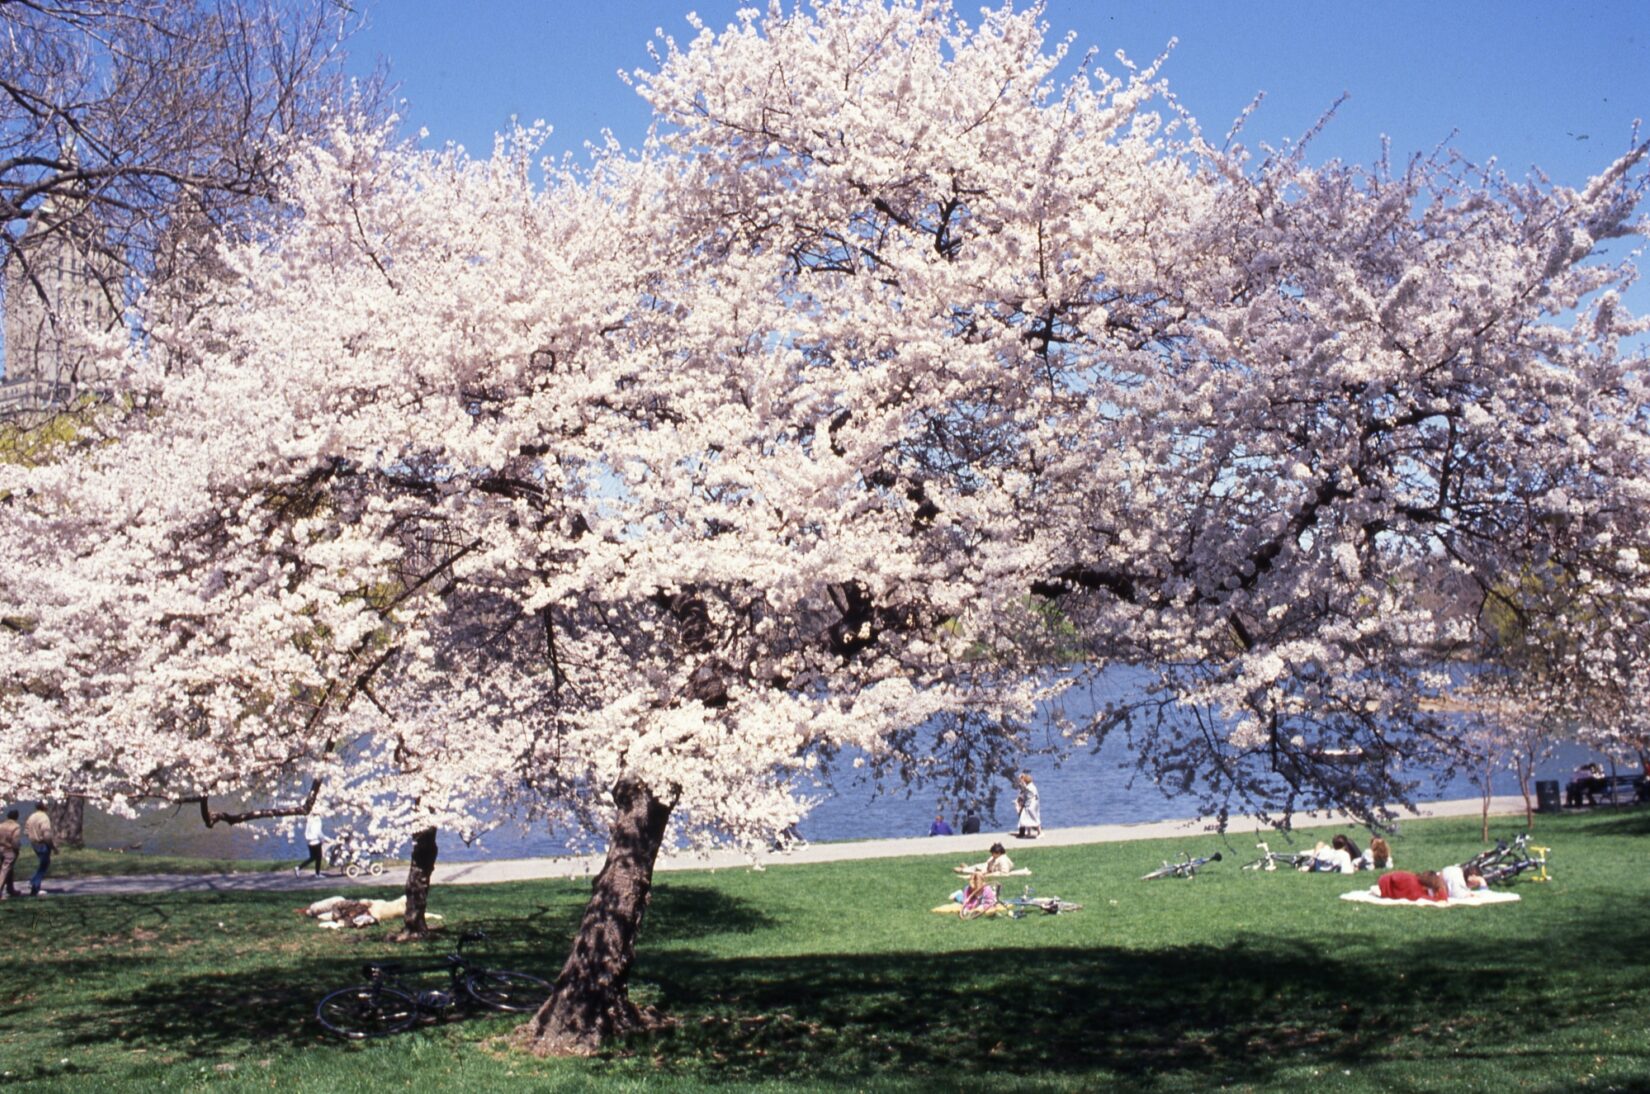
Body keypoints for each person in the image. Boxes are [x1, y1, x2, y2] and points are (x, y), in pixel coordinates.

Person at [24, 803, 54, 896]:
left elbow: (26, 831)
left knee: (43, 863)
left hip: (34, 843)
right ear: (44, 807)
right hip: (42, 843)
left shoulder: (31, 816)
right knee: (44, 865)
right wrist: (52, 846)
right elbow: (46, 834)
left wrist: (32, 837)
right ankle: (34, 883)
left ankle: (35, 886)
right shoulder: (44, 818)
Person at [1377, 869, 1448, 902]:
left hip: (1384, 881)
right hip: (1385, 886)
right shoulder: (1417, 893)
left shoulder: (1413, 878)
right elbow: (1439, 901)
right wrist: (1440, 889)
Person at [296, 811, 326, 877]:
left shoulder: (309, 821)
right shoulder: (317, 821)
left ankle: (299, 867)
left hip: (310, 842)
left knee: (312, 857)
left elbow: (307, 832)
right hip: (316, 841)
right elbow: (318, 832)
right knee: (319, 858)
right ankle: (317, 874)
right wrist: (323, 839)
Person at [0, 810, 21, 900]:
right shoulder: (16, 827)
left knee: (9, 870)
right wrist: (16, 849)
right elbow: (15, 841)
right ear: (16, 817)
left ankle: (10, 889)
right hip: (9, 850)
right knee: (5, 870)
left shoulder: (1, 825)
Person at [1015, 772, 1041, 839]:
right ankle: (1029, 833)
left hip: (1031, 805)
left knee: (1033, 818)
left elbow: (1024, 791)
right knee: (1027, 818)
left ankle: (1039, 832)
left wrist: (1021, 780)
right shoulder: (1032, 786)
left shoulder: (1029, 788)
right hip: (1032, 805)